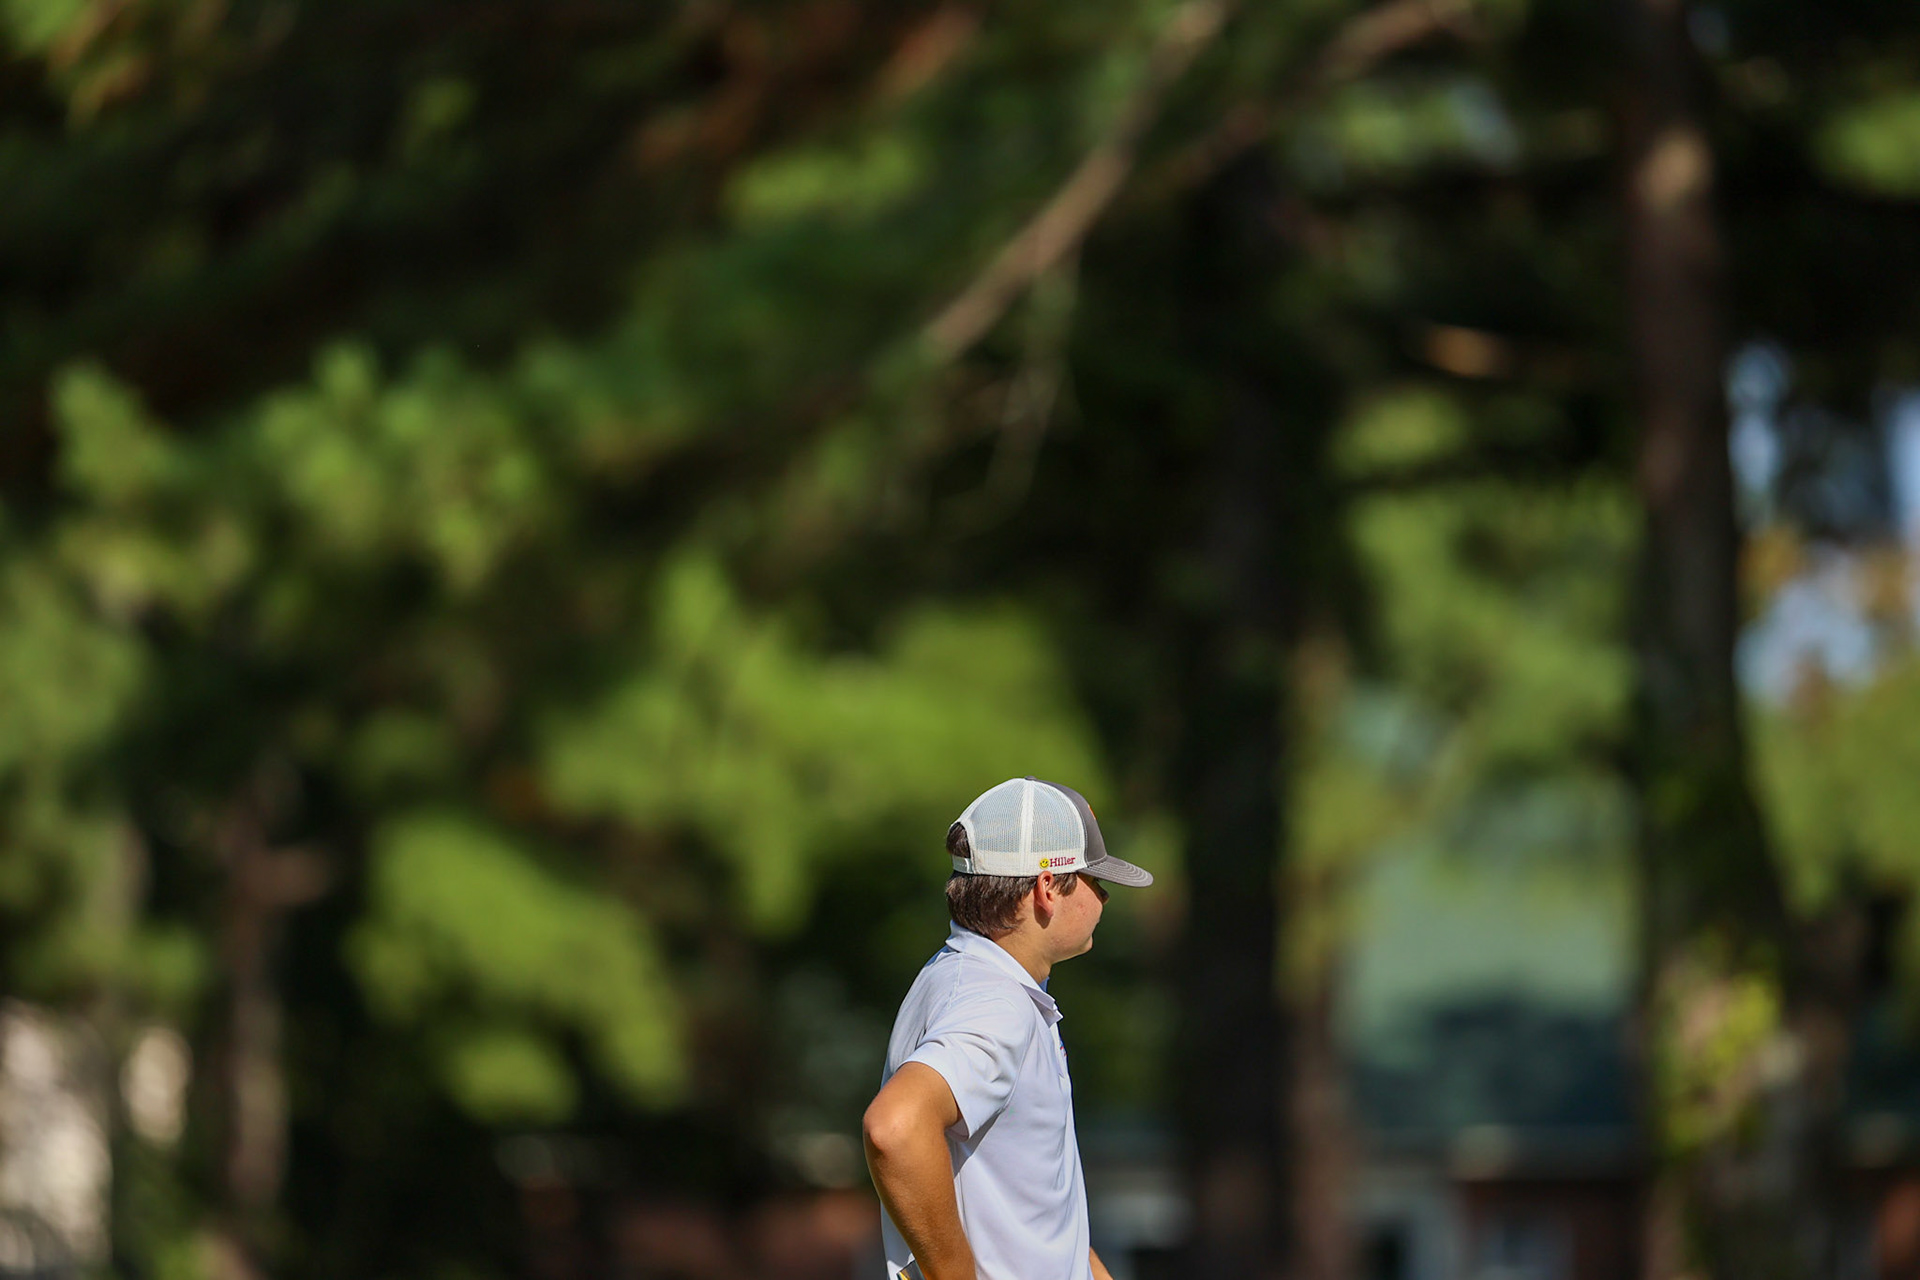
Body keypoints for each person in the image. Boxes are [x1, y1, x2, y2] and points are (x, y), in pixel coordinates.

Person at [862, 777, 1154, 1280]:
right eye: (1093, 878)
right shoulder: (996, 1004)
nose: (1104, 897)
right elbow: (895, 1126)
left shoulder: (963, 977)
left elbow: (1032, 1205)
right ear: (1047, 888)